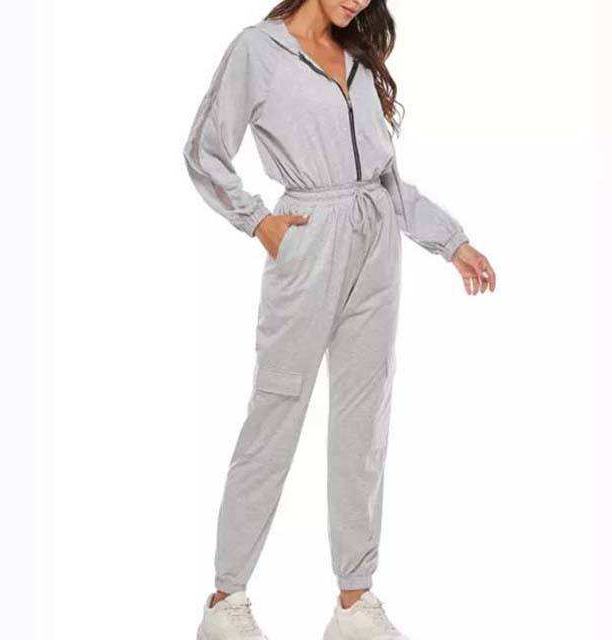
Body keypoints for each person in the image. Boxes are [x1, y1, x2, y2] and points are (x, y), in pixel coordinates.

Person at [183, 1, 496, 638]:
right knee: (276, 413)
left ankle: (354, 602)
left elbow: (387, 181)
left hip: (375, 246)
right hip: (308, 239)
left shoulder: (356, 54)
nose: (358, 0)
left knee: (364, 421)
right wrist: (257, 220)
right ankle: (225, 599)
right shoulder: (258, 50)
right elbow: (204, 151)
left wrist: (451, 241)